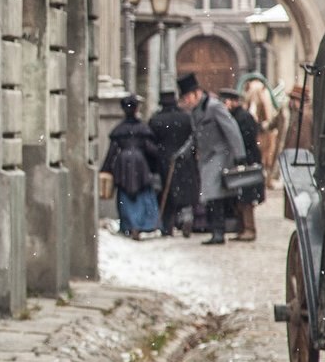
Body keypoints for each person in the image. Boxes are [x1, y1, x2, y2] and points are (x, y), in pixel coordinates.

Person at [178, 72, 246, 246]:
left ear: (196, 93)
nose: (187, 102)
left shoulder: (214, 106)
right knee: (210, 195)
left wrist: (240, 156)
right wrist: (183, 152)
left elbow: (232, 130)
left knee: (213, 193)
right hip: (206, 157)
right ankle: (217, 230)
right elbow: (195, 136)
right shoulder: (196, 112)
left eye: (187, 97)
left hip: (220, 155)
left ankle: (218, 231)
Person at [102, 95, 163, 239]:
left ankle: (130, 225)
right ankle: (145, 224)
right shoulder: (142, 129)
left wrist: (106, 169)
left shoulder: (119, 130)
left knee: (125, 196)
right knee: (143, 195)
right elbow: (151, 150)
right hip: (140, 163)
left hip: (123, 163)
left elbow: (111, 152)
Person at [149, 90, 198, 237]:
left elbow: (151, 142)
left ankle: (167, 226)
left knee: (167, 193)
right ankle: (186, 218)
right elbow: (194, 139)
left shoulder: (156, 120)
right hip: (185, 160)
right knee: (185, 192)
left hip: (164, 161)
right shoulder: (186, 118)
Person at [220, 89, 264, 242]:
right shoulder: (235, 117)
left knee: (247, 198)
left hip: (247, 161)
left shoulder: (243, 117)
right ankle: (242, 228)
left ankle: (249, 229)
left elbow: (247, 139)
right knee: (240, 197)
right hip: (242, 160)